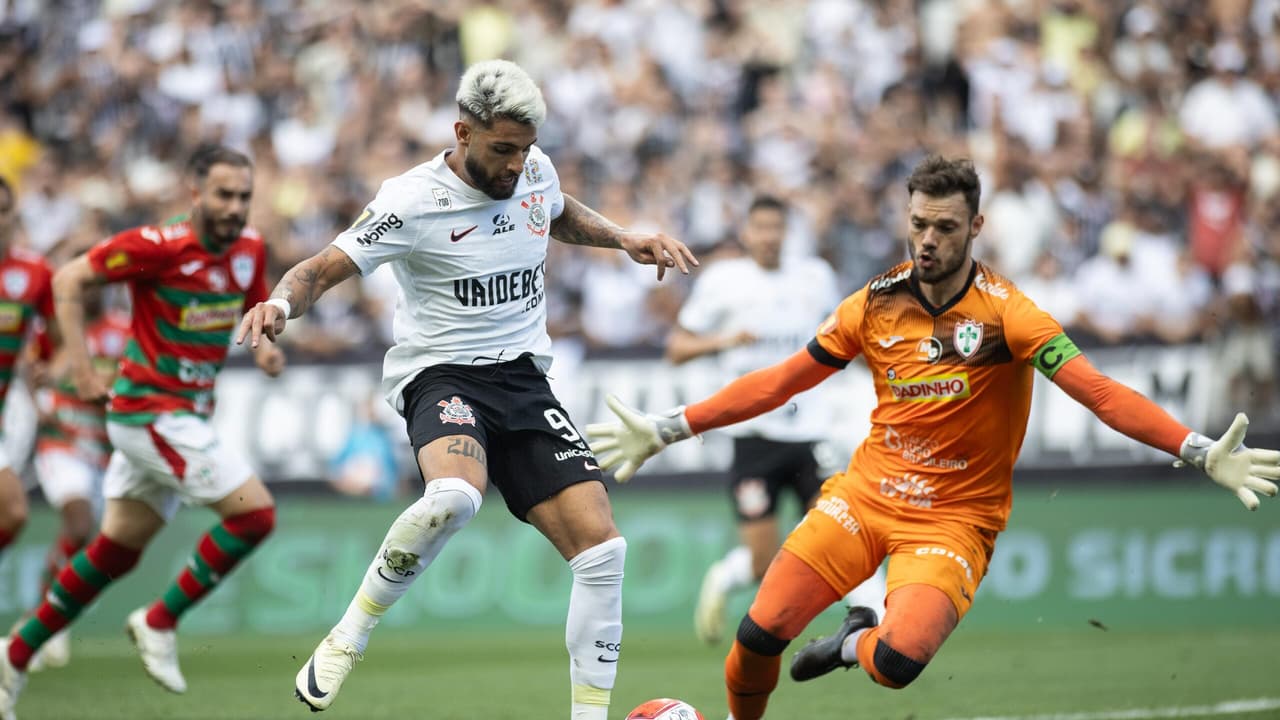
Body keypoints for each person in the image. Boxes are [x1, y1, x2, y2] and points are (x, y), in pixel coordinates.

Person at [588, 156, 1280, 720]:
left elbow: (1097, 392)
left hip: (954, 519)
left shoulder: (1011, 316)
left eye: (944, 227)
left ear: (975, 226)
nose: (927, 240)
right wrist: (670, 426)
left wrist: (1195, 447)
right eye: (918, 224)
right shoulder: (874, 303)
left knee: (896, 665)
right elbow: (783, 381)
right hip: (863, 497)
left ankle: (853, 641)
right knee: (755, 638)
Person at [235, 60, 697, 719]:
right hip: (443, 374)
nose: (515, 165)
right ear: (462, 132)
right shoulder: (411, 199)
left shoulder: (534, 172)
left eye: (525, 150)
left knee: (604, 551)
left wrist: (623, 238)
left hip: (524, 380)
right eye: (502, 149)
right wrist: (279, 306)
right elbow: (322, 268)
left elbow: (556, 212)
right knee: (454, 497)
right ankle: (350, 633)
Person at [0, 144, 285, 719]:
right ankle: (159, 620)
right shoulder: (158, 247)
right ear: (195, 191)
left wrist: (266, 351)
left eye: (243, 196)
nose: (234, 207)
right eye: (224, 194)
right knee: (255, 515)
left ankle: (14, 655)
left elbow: (254, 304)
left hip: (186, 416)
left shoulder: (249, 248)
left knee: (114, 554)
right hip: (149, 413)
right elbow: (70, 280)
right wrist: (80, 367)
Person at [665, 194, 883, 645]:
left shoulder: (815, 277)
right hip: (753, 436)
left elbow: (843, 339)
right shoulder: (724, 281)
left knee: (843, 532)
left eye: (776, 228)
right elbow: (677, 349)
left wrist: (885, 376)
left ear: (787, 232)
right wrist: (725, 341)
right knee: (763, 562)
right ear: (747, 232)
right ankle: (725, 577)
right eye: (760, 227)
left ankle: (879, 623)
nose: (768, 237)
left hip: (810, 432)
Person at [20, 301, 131, 670]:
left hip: (101, 450)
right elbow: (32, 366)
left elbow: (130, 383)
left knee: (95, 543)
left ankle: (44, 618)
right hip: (62, 442)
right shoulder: (59, 327)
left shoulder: (123, 329)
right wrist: (37, 395)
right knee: (79, 522)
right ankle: (41, 618)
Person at [0, 175, 56, 562]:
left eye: (3, 211)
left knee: (12, 513)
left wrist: (50, 370)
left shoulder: (34, 272)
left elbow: (58, 341)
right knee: (14, 508)